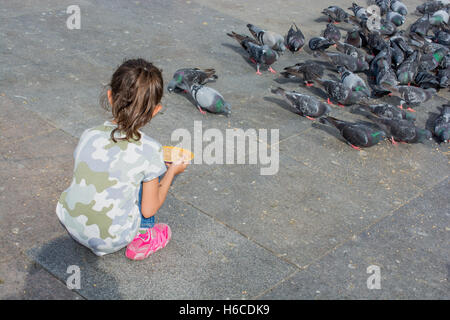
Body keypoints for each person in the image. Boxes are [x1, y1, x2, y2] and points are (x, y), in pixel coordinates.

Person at [56, 58, 188, 260]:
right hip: (111, 238)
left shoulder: (89, 134)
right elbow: (149, 208)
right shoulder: (150, 149)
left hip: (70, 221)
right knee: (151, 173)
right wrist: (171, 171)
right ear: (156, 110)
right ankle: (144, 237)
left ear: (110, 96)